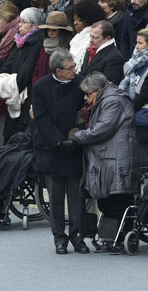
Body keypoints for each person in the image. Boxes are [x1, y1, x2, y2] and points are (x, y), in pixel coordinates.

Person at [72, 71, 140, 254]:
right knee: (108, 200)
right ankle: (111, 238)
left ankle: (118, 239)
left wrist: (76, 136)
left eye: (88, 94)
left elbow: (101, 130)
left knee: (116, 200)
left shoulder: (113, 101)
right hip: (110, 157)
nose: (85, 99)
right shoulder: (109, 98)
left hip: (117, 159)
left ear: (99, 90)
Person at [32, 49, 88, 255]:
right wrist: (58, 141)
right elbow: (41, 119)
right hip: (51, 148)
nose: (75, 70)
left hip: (75, 147)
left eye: (74, 66)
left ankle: (77, 235)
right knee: (55, 198)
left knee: (76, 197)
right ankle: (59, 238)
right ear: (58, 70)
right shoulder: (40, 87)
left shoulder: (80, 83)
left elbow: (85, 112)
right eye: (70, 68)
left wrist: (77, 136)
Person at [119, 28, 148, 168]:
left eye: (140, 43)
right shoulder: (138, 65)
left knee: (143, 163)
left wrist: (123, 110)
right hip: (134, 119)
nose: (136, 46)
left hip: (145, 122)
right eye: (136, 43)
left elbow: (143, 97)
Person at [0, 7, 45, 140]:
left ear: (35, 25)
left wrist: (9, 86)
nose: (19, 25)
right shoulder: (20, 41)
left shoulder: (36, 43)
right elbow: (7, 65)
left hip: (24, 95)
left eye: (23, 22)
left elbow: (25, 74)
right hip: (13, 90)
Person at [81, 20, 125, 84]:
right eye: (91, 36)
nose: (91, 41)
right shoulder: (90, 50)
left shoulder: (115, 58)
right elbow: (83, 72)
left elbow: (109, 85)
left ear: (108, 38)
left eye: (95, 38)